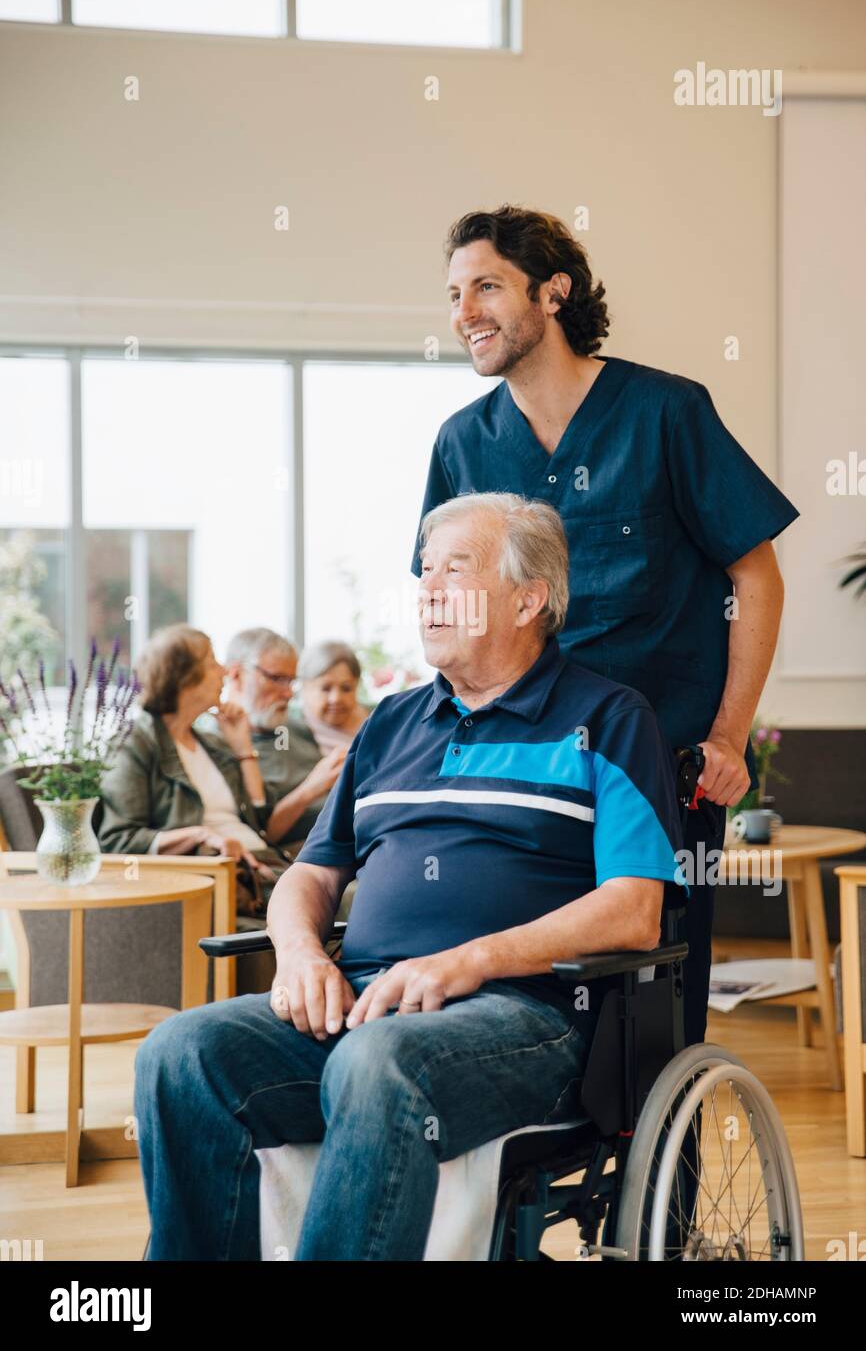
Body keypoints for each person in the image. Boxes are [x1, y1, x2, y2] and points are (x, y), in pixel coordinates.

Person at [134, 494, 687, 1261]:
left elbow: (635, 912)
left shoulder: (611, 720)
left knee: (378, 1058)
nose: (425, 589)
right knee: (180, 1053)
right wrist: (299, 956)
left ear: (529, 599)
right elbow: (312, 873)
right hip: (364, 1002)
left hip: (525, 1018)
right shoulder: (390, 726)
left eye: (453, 571)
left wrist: (468, 961)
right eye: (424, 571)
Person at [412, 205, 800, 1048]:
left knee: (659, 1017)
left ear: (553, 293)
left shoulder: (664, 412)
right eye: (453, 294)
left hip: (662, 767)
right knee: (514, 983)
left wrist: (728, 738)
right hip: (521, 766)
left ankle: (667, 1181)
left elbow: (754, 572)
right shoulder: (463, 443)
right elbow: (450, 602)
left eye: (485, 286)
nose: (463, 312)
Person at [99, 624, 289, 915]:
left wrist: (242, 748)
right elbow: (118, 841)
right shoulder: (134, 743)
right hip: (230, 877)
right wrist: (200, 835)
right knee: (355, 901)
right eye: (212, 662)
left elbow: (259, 817)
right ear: (185, 677)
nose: (225, 671)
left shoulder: (210, 743)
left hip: (265, 863)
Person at [215, 627, 348, 855]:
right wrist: (311, 788)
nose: (288, 694)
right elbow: (261, 834)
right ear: (236, 675)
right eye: (276, 679)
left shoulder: (295, 727)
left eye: (291, 681)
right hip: (301, 855)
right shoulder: (217, 746)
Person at [296, 640, 368, 755]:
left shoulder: (378, 719)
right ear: (305, 688)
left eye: (346, 688)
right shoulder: (291, 732)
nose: (336, 698)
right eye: (326, 688)